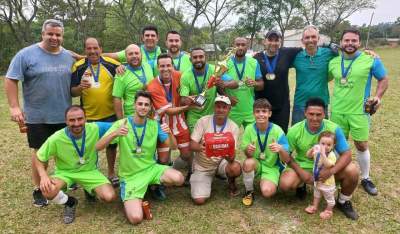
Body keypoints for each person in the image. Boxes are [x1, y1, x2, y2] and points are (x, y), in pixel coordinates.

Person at [4, 19, 75, 207]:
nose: (54, 37)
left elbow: (89, 57)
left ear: (62, 36)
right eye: (50, 34)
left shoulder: (68, 56)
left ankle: (64, 182)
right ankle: (39, 190)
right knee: (40, 153)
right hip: (38, 116)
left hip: (65, 115)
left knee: (66, 152)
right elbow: (11, 79)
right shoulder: (26, 55)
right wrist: (14, 107)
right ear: (43, 34)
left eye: (58, 34)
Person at [96, 91, 184, 225]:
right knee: (136, 218)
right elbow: (98, 147)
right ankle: (132, 195)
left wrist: (170, 133)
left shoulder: (154, 124)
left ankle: (152, 186)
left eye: (146, 105)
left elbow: (174, 146)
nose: (143, 107)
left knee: (179, 178)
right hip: (131, 176)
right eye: (140, 104)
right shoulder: (122, 124)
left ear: (150, 108)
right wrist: (115, 134)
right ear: (134, 105)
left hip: (150, 169)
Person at [328, 28, 389, 196]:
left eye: (353, 41)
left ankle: (366, 178)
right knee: (337, 145)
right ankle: (339, 174)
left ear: (359, 43)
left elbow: (383, 79)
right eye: (346, 40)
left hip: (359, 112)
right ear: (341, 43)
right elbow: (325, 77)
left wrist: (378, 97)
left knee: (361, 144)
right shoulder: (333, 62)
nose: (350, 44)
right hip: (338, 112)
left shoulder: (370, 59)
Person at [279, 97, 360, 220]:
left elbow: (347, 154)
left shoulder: (333, 128)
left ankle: (343, 201)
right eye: (311, 114)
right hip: (305, 166)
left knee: (353, 170)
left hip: (327, 167)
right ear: (305, 113)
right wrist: (302, 174)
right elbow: (287, 156)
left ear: (324, 114)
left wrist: (330, 171)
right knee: (285, 184)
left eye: (319, 114)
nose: (315, 118)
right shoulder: (295, 130)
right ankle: (302, 185)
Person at [34, 105, 117, 224]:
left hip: (89, 171)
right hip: (65, 173)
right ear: (66, 121)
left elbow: (118, 124)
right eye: (72, 120)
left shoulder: (95, 128)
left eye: (80, 119)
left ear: (85, 119)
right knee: (48, 191)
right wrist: (43, 176)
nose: (76, 123)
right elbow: (38, 157)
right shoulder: (56, 138)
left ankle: (89, 190)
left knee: (109, 197)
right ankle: (70, 202)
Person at [71, 37, 121, 187]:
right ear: (85, 50)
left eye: (95, 48)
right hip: (89, 116)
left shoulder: (113, 65)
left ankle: (111, 173)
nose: (92, 51)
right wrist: (80, 87)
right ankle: (91, 173)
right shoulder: (78, 67)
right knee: (89, 148)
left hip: (110, 114)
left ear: (100, 48)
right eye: (89, 48)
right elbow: (73, 92)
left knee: (112, 146)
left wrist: (121, 68)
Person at [147, 54, 193, 197]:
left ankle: (192, 174)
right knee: (163, 159)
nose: (165, 68)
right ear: (157, 67)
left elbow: (191, 85)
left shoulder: (180, 76)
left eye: (168, 65)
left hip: (180, 123)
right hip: (162, 125)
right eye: (162, 66)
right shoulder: (152, 85)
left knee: (187, 154)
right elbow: (168, 111)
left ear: (173, 66)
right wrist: (189, 107)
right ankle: (157, 185)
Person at [189, 95, 242, 205]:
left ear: (229, 109)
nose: (221, 110)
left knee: (235, 167)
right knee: (199, 200)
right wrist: (203, 147)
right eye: (218, 106)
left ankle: (231, 181)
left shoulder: (233, 127)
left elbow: (232, 158)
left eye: (224, 107)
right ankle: (199, 176)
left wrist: (223, 150)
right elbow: (192, 145)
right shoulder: (203, 121)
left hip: (221, 162)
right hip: (203, 165)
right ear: (214, 107)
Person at [241, 98, 290, 206]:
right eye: (257, 111)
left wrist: (280, 149)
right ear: (253, 113)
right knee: (248, 163)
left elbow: (286, 158)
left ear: (270, 113)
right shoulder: (249, 129)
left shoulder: (277, 130)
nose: (261, 114)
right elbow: (247, 154)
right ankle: (249, 191)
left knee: (267, 192)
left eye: (264, 111)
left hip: (271, 167)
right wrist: (248, 150)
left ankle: (271, 180)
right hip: (256, 163)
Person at [253, 30, 301, 133]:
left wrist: (327, 45)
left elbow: (305, 48)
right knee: (262, 135)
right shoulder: (256, 58)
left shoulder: (287, 53)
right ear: (265, 42)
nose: (273, 43)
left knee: (281, 134)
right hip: (262, 105)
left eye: (276, 40)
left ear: (280, 42)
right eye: (270, 40)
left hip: (281, 106)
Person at [180, 47, 236, 132]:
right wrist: (190, 100)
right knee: (197, 143)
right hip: (194, 117)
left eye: (201, 57)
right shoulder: (186, 76)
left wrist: (224, 84)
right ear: (190, 59)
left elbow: (235, 84)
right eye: (195, 57)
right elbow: (183, 100)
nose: (198, 59)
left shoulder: (215, 70)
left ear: (205, 57)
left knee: (211, 143)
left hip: (212, 116)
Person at [291, 25, 336, 124]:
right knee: (297, 134)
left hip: (321, 103)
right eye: (307, 37)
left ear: (318, 39)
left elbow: (347, 53)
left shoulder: (329, 53)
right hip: (300, 103)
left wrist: (369, 52)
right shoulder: (296, 56)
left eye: (313, 37)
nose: (310, 40)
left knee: (321, 135)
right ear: (302, 40)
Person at [225, 37, 264, 128]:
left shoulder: (254, 62)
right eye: (237, 45)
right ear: (233, 46)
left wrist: (255, 83)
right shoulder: (226, 63)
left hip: (249, 110)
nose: (240, 47)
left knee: (252, 139)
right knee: (231, 141)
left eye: (243, 45)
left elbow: (261, 85)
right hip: (232, 110)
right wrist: (228, 97)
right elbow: (219, 85)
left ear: (247, 47)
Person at [112, 44, 154, 119]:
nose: (134, 56)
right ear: (125, 57)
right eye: (130, 54)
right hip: (132, 117)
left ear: (141, 55)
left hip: (150, 115)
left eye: (137, 53)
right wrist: (121, 121)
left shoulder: (148, 66)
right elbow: (117, 99)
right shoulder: (121, 74)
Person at [304, 131, 337, 220]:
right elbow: (308, 156)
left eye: (329, 144)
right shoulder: (317, 152)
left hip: (327, 182)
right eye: (323, 144)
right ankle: (314, 206)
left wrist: (323, 154)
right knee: (316, 194)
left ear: (333, 146)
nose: (325, 147)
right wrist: (312, 149)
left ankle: (329, 210)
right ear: (318, 143)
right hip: (317, 179)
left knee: (329, 196)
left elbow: (328, 165)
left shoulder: (332, 155)